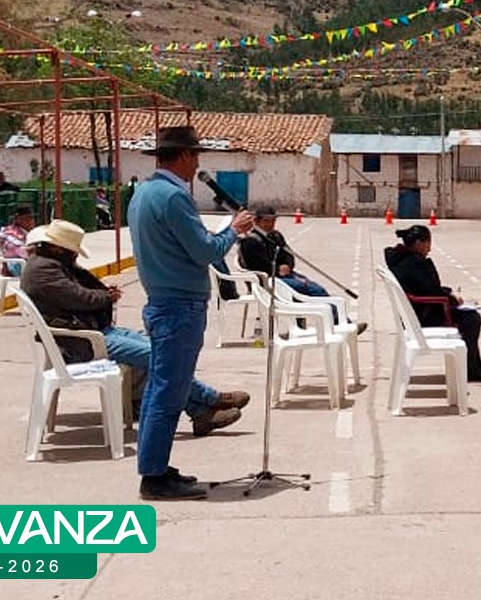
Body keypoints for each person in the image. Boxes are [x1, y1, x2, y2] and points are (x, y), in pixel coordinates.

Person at [20, 219, 248, 436]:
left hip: (91, 331)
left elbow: (78, 293)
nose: (74, 255)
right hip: (81, 342)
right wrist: (106, 296)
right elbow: (80, 298)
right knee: (157, 355)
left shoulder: (50, 263)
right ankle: (210, 399)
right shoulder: (43, 271)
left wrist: (103, 294)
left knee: (157, 347)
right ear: (59, 249)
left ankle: (200, 411)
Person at [127, 125, 254, 502]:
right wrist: (234, 231)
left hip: (162, 301)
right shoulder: (173, 197)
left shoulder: (143, 194)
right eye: (195, 155)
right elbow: (205, 251)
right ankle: (154, 477)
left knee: (158, 391)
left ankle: (156, 467)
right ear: (183, 156)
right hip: (179, 306)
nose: (197, 162)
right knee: (169, 393)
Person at [384, 223, 481, 382]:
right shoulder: (413, 263)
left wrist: (447, 292)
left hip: (418, 312)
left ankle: (475, 365)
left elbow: (426, 288)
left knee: (471, 316)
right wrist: (451, 299)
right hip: (423, 315)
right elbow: (430, 292)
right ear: (418, 243)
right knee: (472, 319)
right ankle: (470, 369)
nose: (429, 249)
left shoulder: (403, 260)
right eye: (428, 244)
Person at [238, 204, 364, 331]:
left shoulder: (275, 236)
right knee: (313, 289)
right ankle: (342, 325)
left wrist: (287, 265)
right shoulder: (250, 241)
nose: (270, 224)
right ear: (256, 221)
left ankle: (337, 323)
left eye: (273, 221)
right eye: (266, 221)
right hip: (267, 281)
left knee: (315, 287)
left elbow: (289, 255)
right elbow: (259, 266)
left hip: (283, 276)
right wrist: (277, 270)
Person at [0, 205, 36, 276]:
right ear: (18, 220)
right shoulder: (12, 233)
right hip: (16, 265)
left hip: (26, 263)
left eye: (31, 218)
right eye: (26, 219)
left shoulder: (28, 233)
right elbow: (22, 251)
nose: (30, 221)